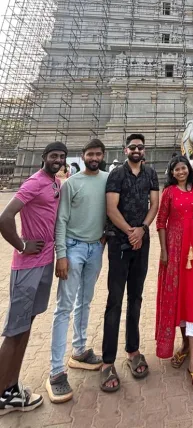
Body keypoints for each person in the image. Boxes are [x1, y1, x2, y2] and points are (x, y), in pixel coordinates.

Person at [0, 142, 67, 415]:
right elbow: (5, 217)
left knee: (26, 324)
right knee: (15, 330)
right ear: (43, 158)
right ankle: (2, 395)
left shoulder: (55, 183)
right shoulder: (34, 182)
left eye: (61, 157)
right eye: (53, 156)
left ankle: (11, 388)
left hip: (44, 263)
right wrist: (21, 244)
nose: (58, 160)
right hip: (27, 266)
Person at [46, 139, 108, 403]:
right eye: (89, 154)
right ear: (83, 157)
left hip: (95, 247)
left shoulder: (108, 179)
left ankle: (80, 349)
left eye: (98, 154)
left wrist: (104, 237)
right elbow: (61, 219)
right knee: (64, 307)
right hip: (72, 248)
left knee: (85, 301)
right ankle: (56, 371)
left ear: (103, 156)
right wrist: (61, 254)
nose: (94, 157)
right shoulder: (71, 183)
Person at [100, 134, 159, 392]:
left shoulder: (150, 173)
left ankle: (133, 350)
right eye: (132, 146)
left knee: (136, 297)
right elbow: (111, 208)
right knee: (115, 300)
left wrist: (142, 230)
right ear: (126, 150)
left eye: (140, 147)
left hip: (141, 241)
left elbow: (154, 204)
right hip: (119, 243)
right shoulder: (116, 174)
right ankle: (107, 361)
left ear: (144, 150)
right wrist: (130, 232)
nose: (136, 150)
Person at [156, 156, 193, 393]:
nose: (180, 171)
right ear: (172, 172)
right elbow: (161, 222)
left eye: (183, 167)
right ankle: (185, 345)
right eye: (176, 169)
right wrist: (164, 251)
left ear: (189, 169)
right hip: (175, 253)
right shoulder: (168, 193)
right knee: (177, 299)